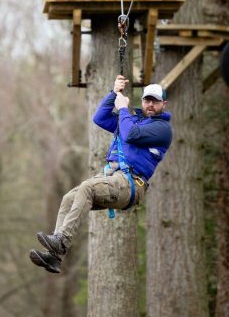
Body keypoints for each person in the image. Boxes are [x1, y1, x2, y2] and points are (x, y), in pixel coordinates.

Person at [29, 75, 172, 274]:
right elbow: (100, 118)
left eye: (155, 101)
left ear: (163, 104)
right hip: (115, 178)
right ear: (142, 101)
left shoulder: (162, 128)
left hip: (131, 184)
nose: (150, 104)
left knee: (87, 188)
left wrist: (122, 108)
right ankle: (55, 257)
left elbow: (131, 134)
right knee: (69, 198)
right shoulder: (131, 121)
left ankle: (62, 240)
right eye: (147, 100)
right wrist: (114, 93)